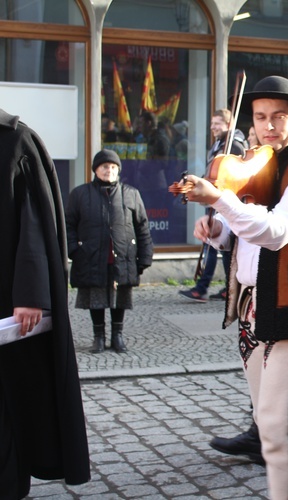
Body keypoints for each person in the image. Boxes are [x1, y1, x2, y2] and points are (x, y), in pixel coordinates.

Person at [182, 75, 288, 499]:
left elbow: (277, 232)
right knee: (269, 424)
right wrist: (217, 230)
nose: (268, 126)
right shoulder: (262, 163)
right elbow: (248, 237)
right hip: (256, 306)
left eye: (278, 117)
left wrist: (219, 199)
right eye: (260, 117)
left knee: (282, 426)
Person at [0, 108, 90, 498]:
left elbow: (34, 219)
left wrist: (31, 295)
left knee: (8, 404)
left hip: (6, 297)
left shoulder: (14, 141)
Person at [66, 149, 153, 353]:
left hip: (122, 256)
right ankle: (98, 337)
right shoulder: (80, 194)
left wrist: (145, 257)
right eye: (105, 166)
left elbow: (142, 226)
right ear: (96, 169)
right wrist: (73, 250)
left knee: (120, 297)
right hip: (92, 256)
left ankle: (117, 336)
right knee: (95, 298)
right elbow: (68, 225)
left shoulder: (131, 194)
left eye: (113, 167)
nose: (109, 171)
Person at [179, 109, 247, 303]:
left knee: (219, 246)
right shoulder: (219, 144)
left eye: (217, 123)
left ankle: (210, 288)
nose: (212, 127)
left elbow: (235, 177)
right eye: (212, 123)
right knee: (218, 246)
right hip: (217, 201)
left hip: (227, 201)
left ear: (228, 125)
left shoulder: (234, 145)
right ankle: (225, 287)